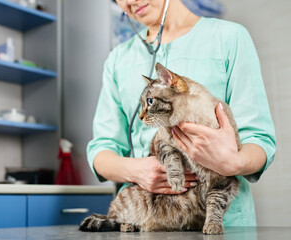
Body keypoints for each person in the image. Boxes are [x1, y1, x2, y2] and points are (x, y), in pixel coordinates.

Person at [87, 0, 276, 226]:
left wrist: (233, 163)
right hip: (149, 218)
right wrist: (137, 170)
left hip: (221, 220)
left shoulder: (230, 38)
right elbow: (101, 150)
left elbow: (259, 140)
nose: (129, 2)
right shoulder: (117, 60)